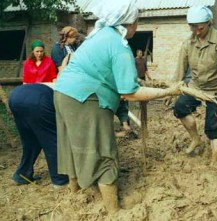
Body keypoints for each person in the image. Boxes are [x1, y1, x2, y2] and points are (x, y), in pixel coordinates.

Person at [53, 0, 181, 213]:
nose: (137, 25)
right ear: (130, 22)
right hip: (87, 97)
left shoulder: (99, 35)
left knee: (70, 145)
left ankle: (75, 195)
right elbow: (130, 93)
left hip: (63, 92)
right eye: (137, 21)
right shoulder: (119, 46)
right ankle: (114, 211)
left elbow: (108, 71)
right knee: (104, 152)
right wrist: (168, 91)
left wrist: (136, 82)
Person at [172, 6, 217, 164]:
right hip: (196, 87)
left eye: (200, 28)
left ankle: (214, 160)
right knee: (180, 107)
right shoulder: (188, 43)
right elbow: (180, 69)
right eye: (192, 27)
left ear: (209, 23)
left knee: (213, 127)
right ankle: (195, 139)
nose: (197, 32)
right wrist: (173, 89)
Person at [9, 83, 68, 187]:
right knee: (52, 139)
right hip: (38, 99)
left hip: (16, 96)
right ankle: (60, 180)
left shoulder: (64, 81)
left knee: (30, 140)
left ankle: (22, 174)